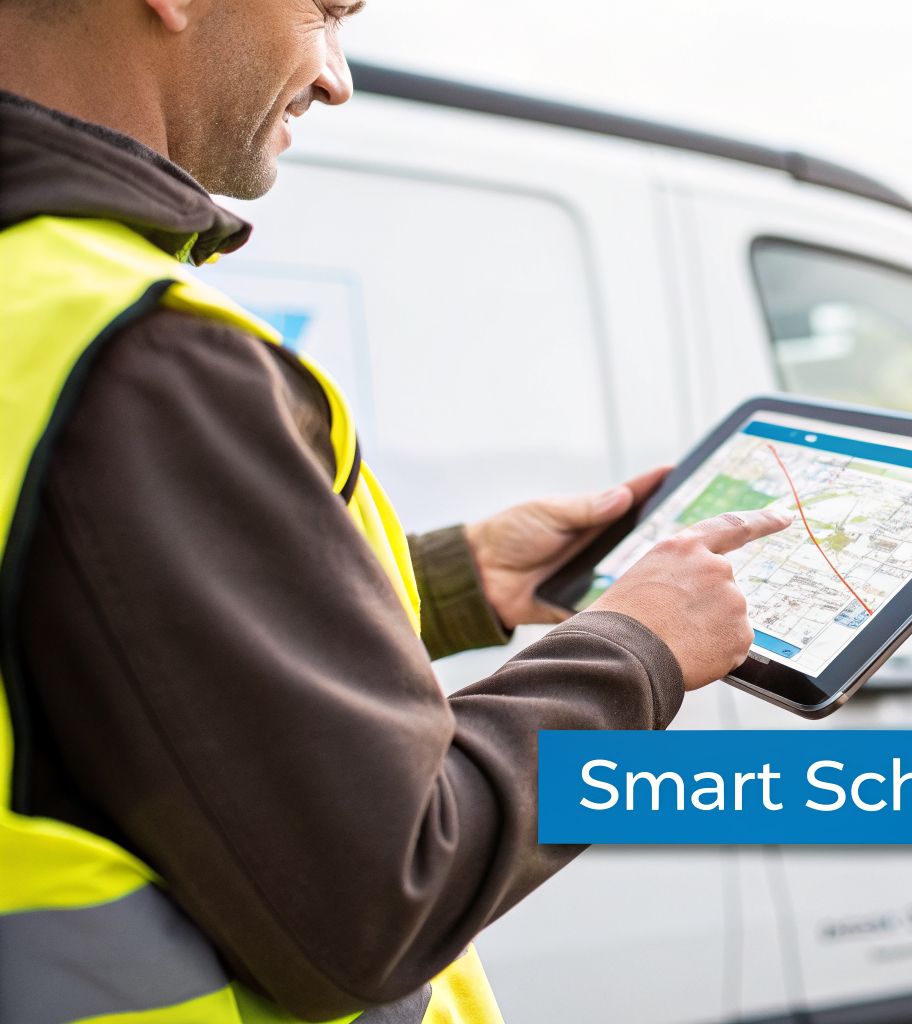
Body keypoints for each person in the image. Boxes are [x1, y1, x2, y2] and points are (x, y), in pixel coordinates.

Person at [0, 1, 793, 1021]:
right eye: (324, 11)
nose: (337, 77)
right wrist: (637, 649)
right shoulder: (145, 355)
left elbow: (84, 629)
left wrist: (459, 578)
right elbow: (388, 890)